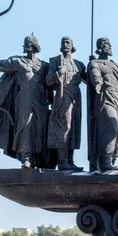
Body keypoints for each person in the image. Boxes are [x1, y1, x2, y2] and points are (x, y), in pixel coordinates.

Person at [0, 34, 51, 168]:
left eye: (29, 43)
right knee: (26, 125)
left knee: (40, 128)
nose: (26, 46)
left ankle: (39, 158)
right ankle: (27, 156)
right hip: (24, 98)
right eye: (25, 43)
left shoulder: (44, 66)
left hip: (41, 100)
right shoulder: (18, 62)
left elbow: (51, 82)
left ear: (35, 46)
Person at [86, 37, 118, 172]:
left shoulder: (115, 65)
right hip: (105, 99)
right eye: (107, 44)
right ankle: (104, 161)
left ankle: (110, 160)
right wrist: (97, 83)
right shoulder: (94, 63)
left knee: (117, 132)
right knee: (111, 126)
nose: (110, 47)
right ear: (101, 47)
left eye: (110, 44)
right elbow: (94, 76)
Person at [46, 36, 86, 171]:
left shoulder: (79, 64)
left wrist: (93, 64)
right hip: (63, 94)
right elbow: (48, 81)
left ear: (72, 46)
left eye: (68, 42)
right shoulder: (55, 61)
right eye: (63, 42)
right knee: (64, 125)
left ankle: (70, 160)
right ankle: (62, 160)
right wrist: (58, 73)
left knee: (74, 126)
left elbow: (87, 80)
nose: (65, 44)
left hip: (76, 95)